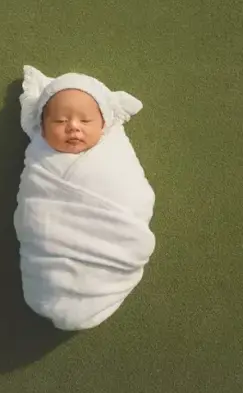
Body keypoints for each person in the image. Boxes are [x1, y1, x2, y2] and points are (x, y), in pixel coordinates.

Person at [13, 65, 156, 330]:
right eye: (60, 121)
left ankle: (96, 285)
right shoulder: (40, 159)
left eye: (85, 121)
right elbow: (33, 204)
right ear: (41, 128)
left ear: (104, 125)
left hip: (112, 242)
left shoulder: (114, 154)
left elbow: (134, 194)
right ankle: (54, 287)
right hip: (50, 249)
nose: (73, 128)